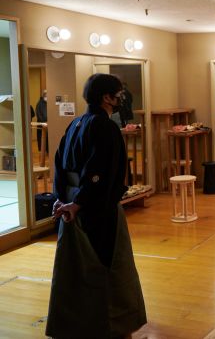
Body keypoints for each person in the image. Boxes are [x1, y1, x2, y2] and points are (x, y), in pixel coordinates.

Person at [46, 74, 146, 338]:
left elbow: (59, 165)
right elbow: (100, 170)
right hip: (95, 208)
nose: (121, 98)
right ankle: (109, 324)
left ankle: (76, 322)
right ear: (106, 97)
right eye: (119, 93)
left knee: (74, 268)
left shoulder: (75, 123)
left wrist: (62, 199)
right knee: (107, 264)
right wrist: (79, 203)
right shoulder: (103, 126)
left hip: (70, 204)